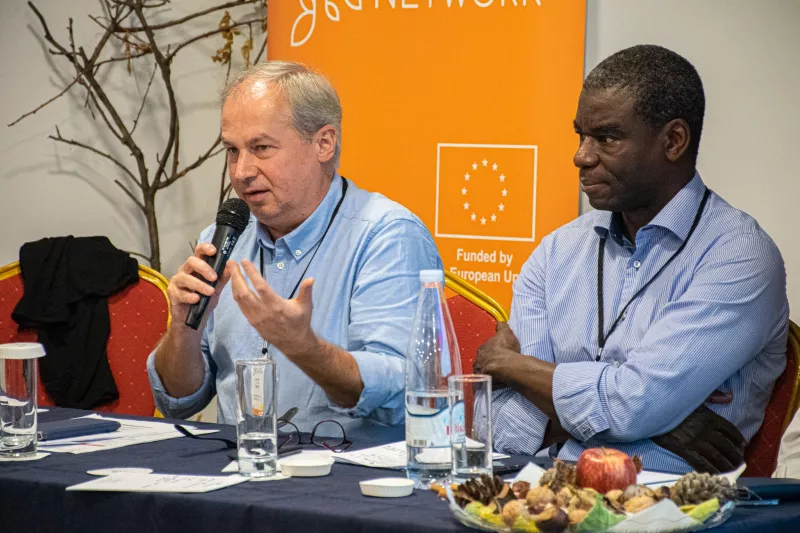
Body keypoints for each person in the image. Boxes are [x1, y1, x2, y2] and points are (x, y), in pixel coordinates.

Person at [474, 45, 789, 474]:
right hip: (539, 494)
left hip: (670, 509)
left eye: (606, 137)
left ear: (673, 141)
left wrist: (509, 366)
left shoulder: (739, 256)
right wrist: (658, 424)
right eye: (579, 135)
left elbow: (631, 406)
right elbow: (500, 427)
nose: (581, 156)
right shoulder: (555, 253)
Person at [147, 61, 441, 432]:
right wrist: (184, 330)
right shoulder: (221, 240)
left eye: (261, 148)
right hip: (238, 472)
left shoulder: (387, 236)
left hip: (350, 477)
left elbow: (405, 392)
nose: (241, 172)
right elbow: (178, 400)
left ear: (324, 143)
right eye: (233, 151)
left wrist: (304, 347)